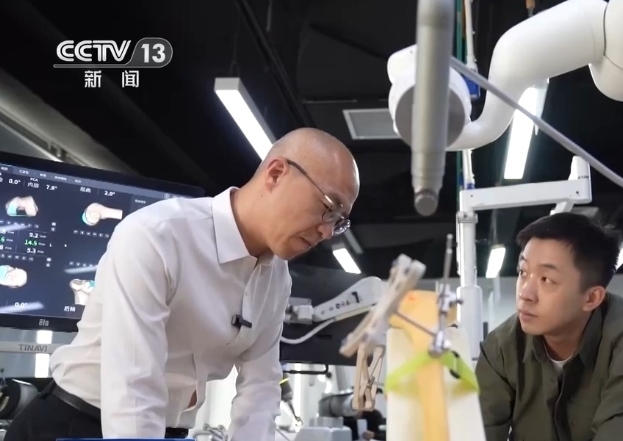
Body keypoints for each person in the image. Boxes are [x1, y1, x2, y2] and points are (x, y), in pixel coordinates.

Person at [6, 128, 360, 441]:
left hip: (168, 431)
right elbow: (134, 384)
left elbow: (261, 386)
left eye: (339, 222)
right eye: (329, 207)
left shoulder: (276, 276)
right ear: (276, 173)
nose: (327, 231)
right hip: (76, 425)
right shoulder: (158, 236)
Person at [476, 213, 623, 441]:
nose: (525, 293)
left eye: (546, 279)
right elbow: (476, 432)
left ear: (591, 298)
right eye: (523, 272)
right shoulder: (500, 348)